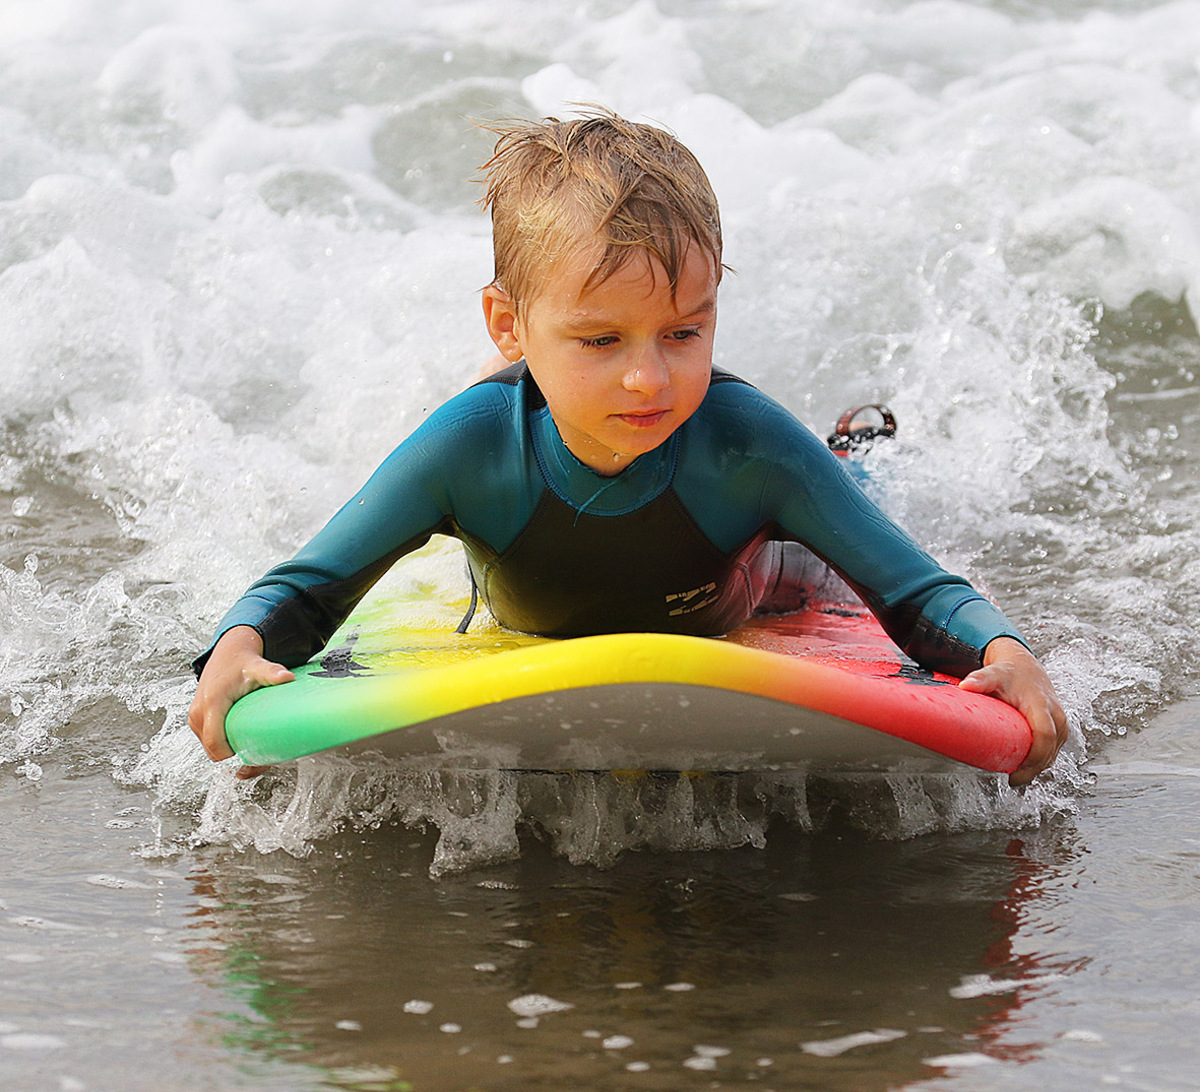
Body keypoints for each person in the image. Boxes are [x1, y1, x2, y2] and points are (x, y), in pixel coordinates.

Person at [189, 110, 1068, 787]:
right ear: (509, 327)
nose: (649, 381)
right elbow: (303, 590)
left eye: (683, 333)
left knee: (844, 500)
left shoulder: (746, 444)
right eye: (601, 342)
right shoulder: (465, 445)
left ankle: (857, 454)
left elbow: (915, 592)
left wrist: (1001, 652)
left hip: (769, 582)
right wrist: (237, 645)